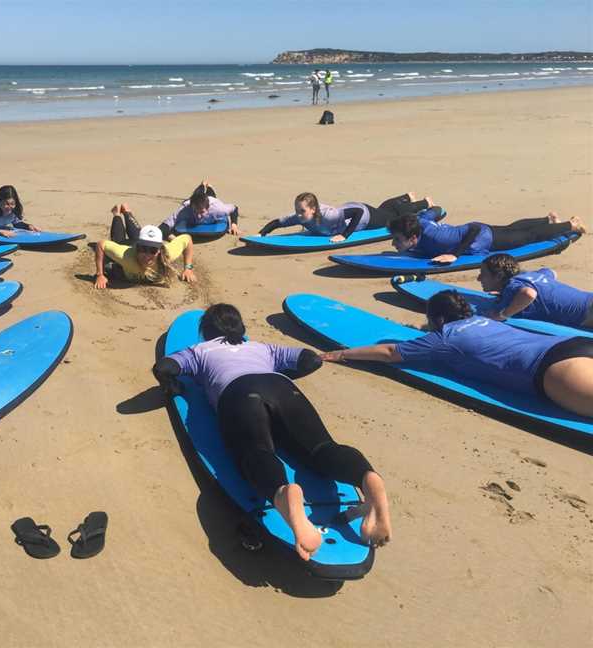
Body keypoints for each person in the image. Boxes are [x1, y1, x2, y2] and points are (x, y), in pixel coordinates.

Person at [153, 303, 392, 561]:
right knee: (322, 448)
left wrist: (173, 386)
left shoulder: (199, 350)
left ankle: (282, 493)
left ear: (207, 332)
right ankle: (367, 478)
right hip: (282, 387)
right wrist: (280, 373)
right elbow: (309, 359)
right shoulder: (262, 348)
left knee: (256, 453)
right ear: (241, 329)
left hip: (238, 394)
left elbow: (165, 367)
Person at [322, 290, 593, 418]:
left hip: (555, 369)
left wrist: (343, 355)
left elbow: (389, 351)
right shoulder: (487, 320)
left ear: (438, 319)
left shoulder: (444, 339)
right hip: (574, 344)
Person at [388, 210, 586, 264]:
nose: (393, 243)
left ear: (413, 238)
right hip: (478, 229)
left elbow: (473, 230)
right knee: (510, 229)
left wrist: (455, 254)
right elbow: (435, 210)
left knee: (528, 237)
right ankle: (547, 220)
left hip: (482, 237)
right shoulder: (419, 222)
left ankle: (571, 225)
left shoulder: (438, 239)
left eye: (397, 239)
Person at [259, 191, 440, 243]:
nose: (298, 215)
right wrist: (262, 234)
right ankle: (406, 196)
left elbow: (358, 213)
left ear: (313, 209)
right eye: (297, 210)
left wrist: (344, 235)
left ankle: (424, 203)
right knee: (385, 210)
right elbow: (278, 222)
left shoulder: (329, 216)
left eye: (302, 211)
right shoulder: (301, 217)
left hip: (365, 216)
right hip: (353, 207)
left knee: (392, 218)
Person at [93, 204, 197, 289]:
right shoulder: (125, 256)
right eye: (143, 249)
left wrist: (188, 268)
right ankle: (116, 214)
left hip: (139, 240)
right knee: (119, 240)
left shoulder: (168, 254)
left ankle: (127, 211)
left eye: (152, 250)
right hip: (128, 246)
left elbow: (187, 239)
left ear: (159, 250)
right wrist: (100, 275)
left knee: (137, 233)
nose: (147, 255)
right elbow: (101, 245)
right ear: (138, 247)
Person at [477, 254, 593, 329]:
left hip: (587, 314)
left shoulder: (512, 286)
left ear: (498, 276)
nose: (478, 278)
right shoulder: (529, 276)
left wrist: (502, 315)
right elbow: (550, 271)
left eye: (483, 274)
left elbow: (528, 293)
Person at [158, 182, 240, 238]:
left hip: (211, 200)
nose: (198, 216)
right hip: (193, 200)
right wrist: (172, 238)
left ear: (208, 209)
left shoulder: (218, 209)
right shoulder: (184, 210)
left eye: (201, 212)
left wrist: (234, 225)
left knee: (211, 195)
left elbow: (234, 208)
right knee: (196, 194)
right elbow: (163, 227)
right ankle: (202, 185)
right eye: (195, 212)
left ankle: (209, 186)